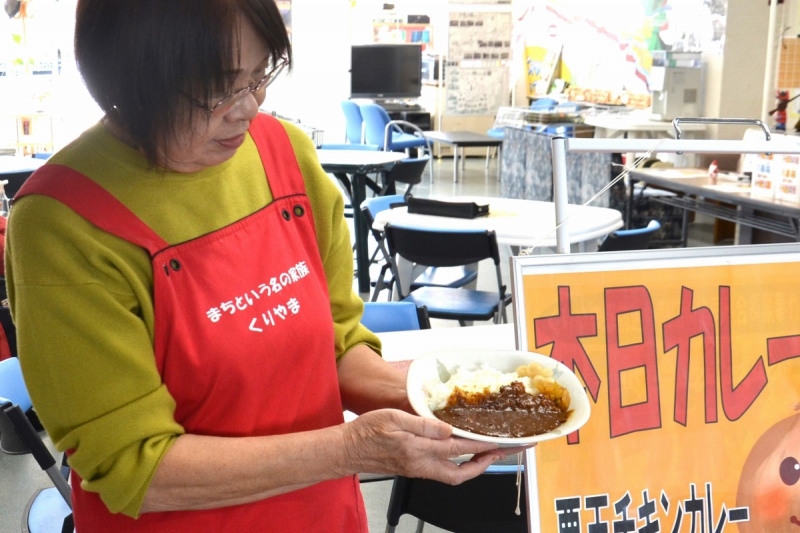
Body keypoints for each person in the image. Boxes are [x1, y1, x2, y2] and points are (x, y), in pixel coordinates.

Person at [4, 1, 526, 531]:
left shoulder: (285, 155)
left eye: (260, 75)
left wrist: (453, 402)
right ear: (131, 79)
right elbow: (132, 465)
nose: (249, 107)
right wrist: (353, 449)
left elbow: (337, 345)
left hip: (323, 515)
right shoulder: (64, 222)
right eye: (219, 87)